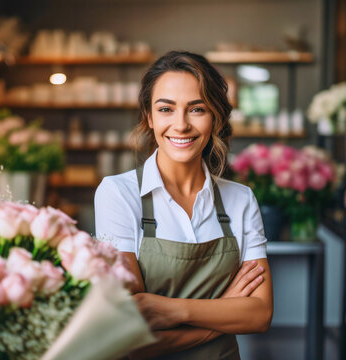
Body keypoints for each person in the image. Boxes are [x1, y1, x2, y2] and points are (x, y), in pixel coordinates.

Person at [94, 50, 273, 359]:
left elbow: (259, 315)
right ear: (149, 117)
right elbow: (130, 331)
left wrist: (170, 309)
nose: (181, 125)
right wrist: (225, 311)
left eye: (197, 109)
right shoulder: (118, 194)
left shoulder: (240, 200)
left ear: (215, 117)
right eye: (166, 109)